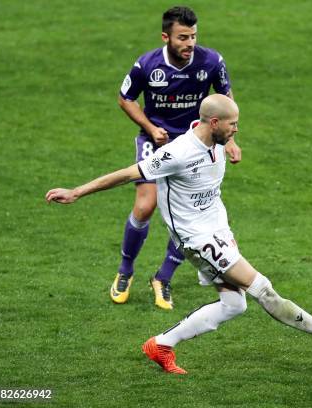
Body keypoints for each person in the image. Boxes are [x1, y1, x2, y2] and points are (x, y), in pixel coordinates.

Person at [46, 94, 312, 375]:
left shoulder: (215, 139)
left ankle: (161, 345)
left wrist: (230, 143)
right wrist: (76, 192)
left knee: (234, 305)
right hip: (196, 238)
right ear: (214, 122)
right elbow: (129, 173)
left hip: (217, 229)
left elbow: (221, 144)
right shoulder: (179, 152)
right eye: (232, 125)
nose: (236, 130)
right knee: (262, 288)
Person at [114, 5, 241, 310]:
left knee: (189, 216)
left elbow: (226, 98)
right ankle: (125, 270)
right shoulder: (147, 65)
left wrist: (231, 140)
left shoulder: (212, 61)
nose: (190, 43)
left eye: (193, 36)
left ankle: (163, 277)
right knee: (145, 206)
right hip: (155, 140)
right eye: (183, 37)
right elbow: (125, 98)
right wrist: (149, 127)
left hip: (194, 145)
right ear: (166, 37)